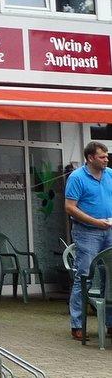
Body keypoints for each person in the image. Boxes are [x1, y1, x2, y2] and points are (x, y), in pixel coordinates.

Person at [64, 141, 112, 341]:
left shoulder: (109, 174)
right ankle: (77, 324)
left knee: (110, 276)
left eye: (107, 156)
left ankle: (110, 324)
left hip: (109, 231)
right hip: (87, 233)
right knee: (84, 276)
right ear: (90, 158)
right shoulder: (77, 178)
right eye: (102, 156)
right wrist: (95, 222)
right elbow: (70, 207)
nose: (106, 159)